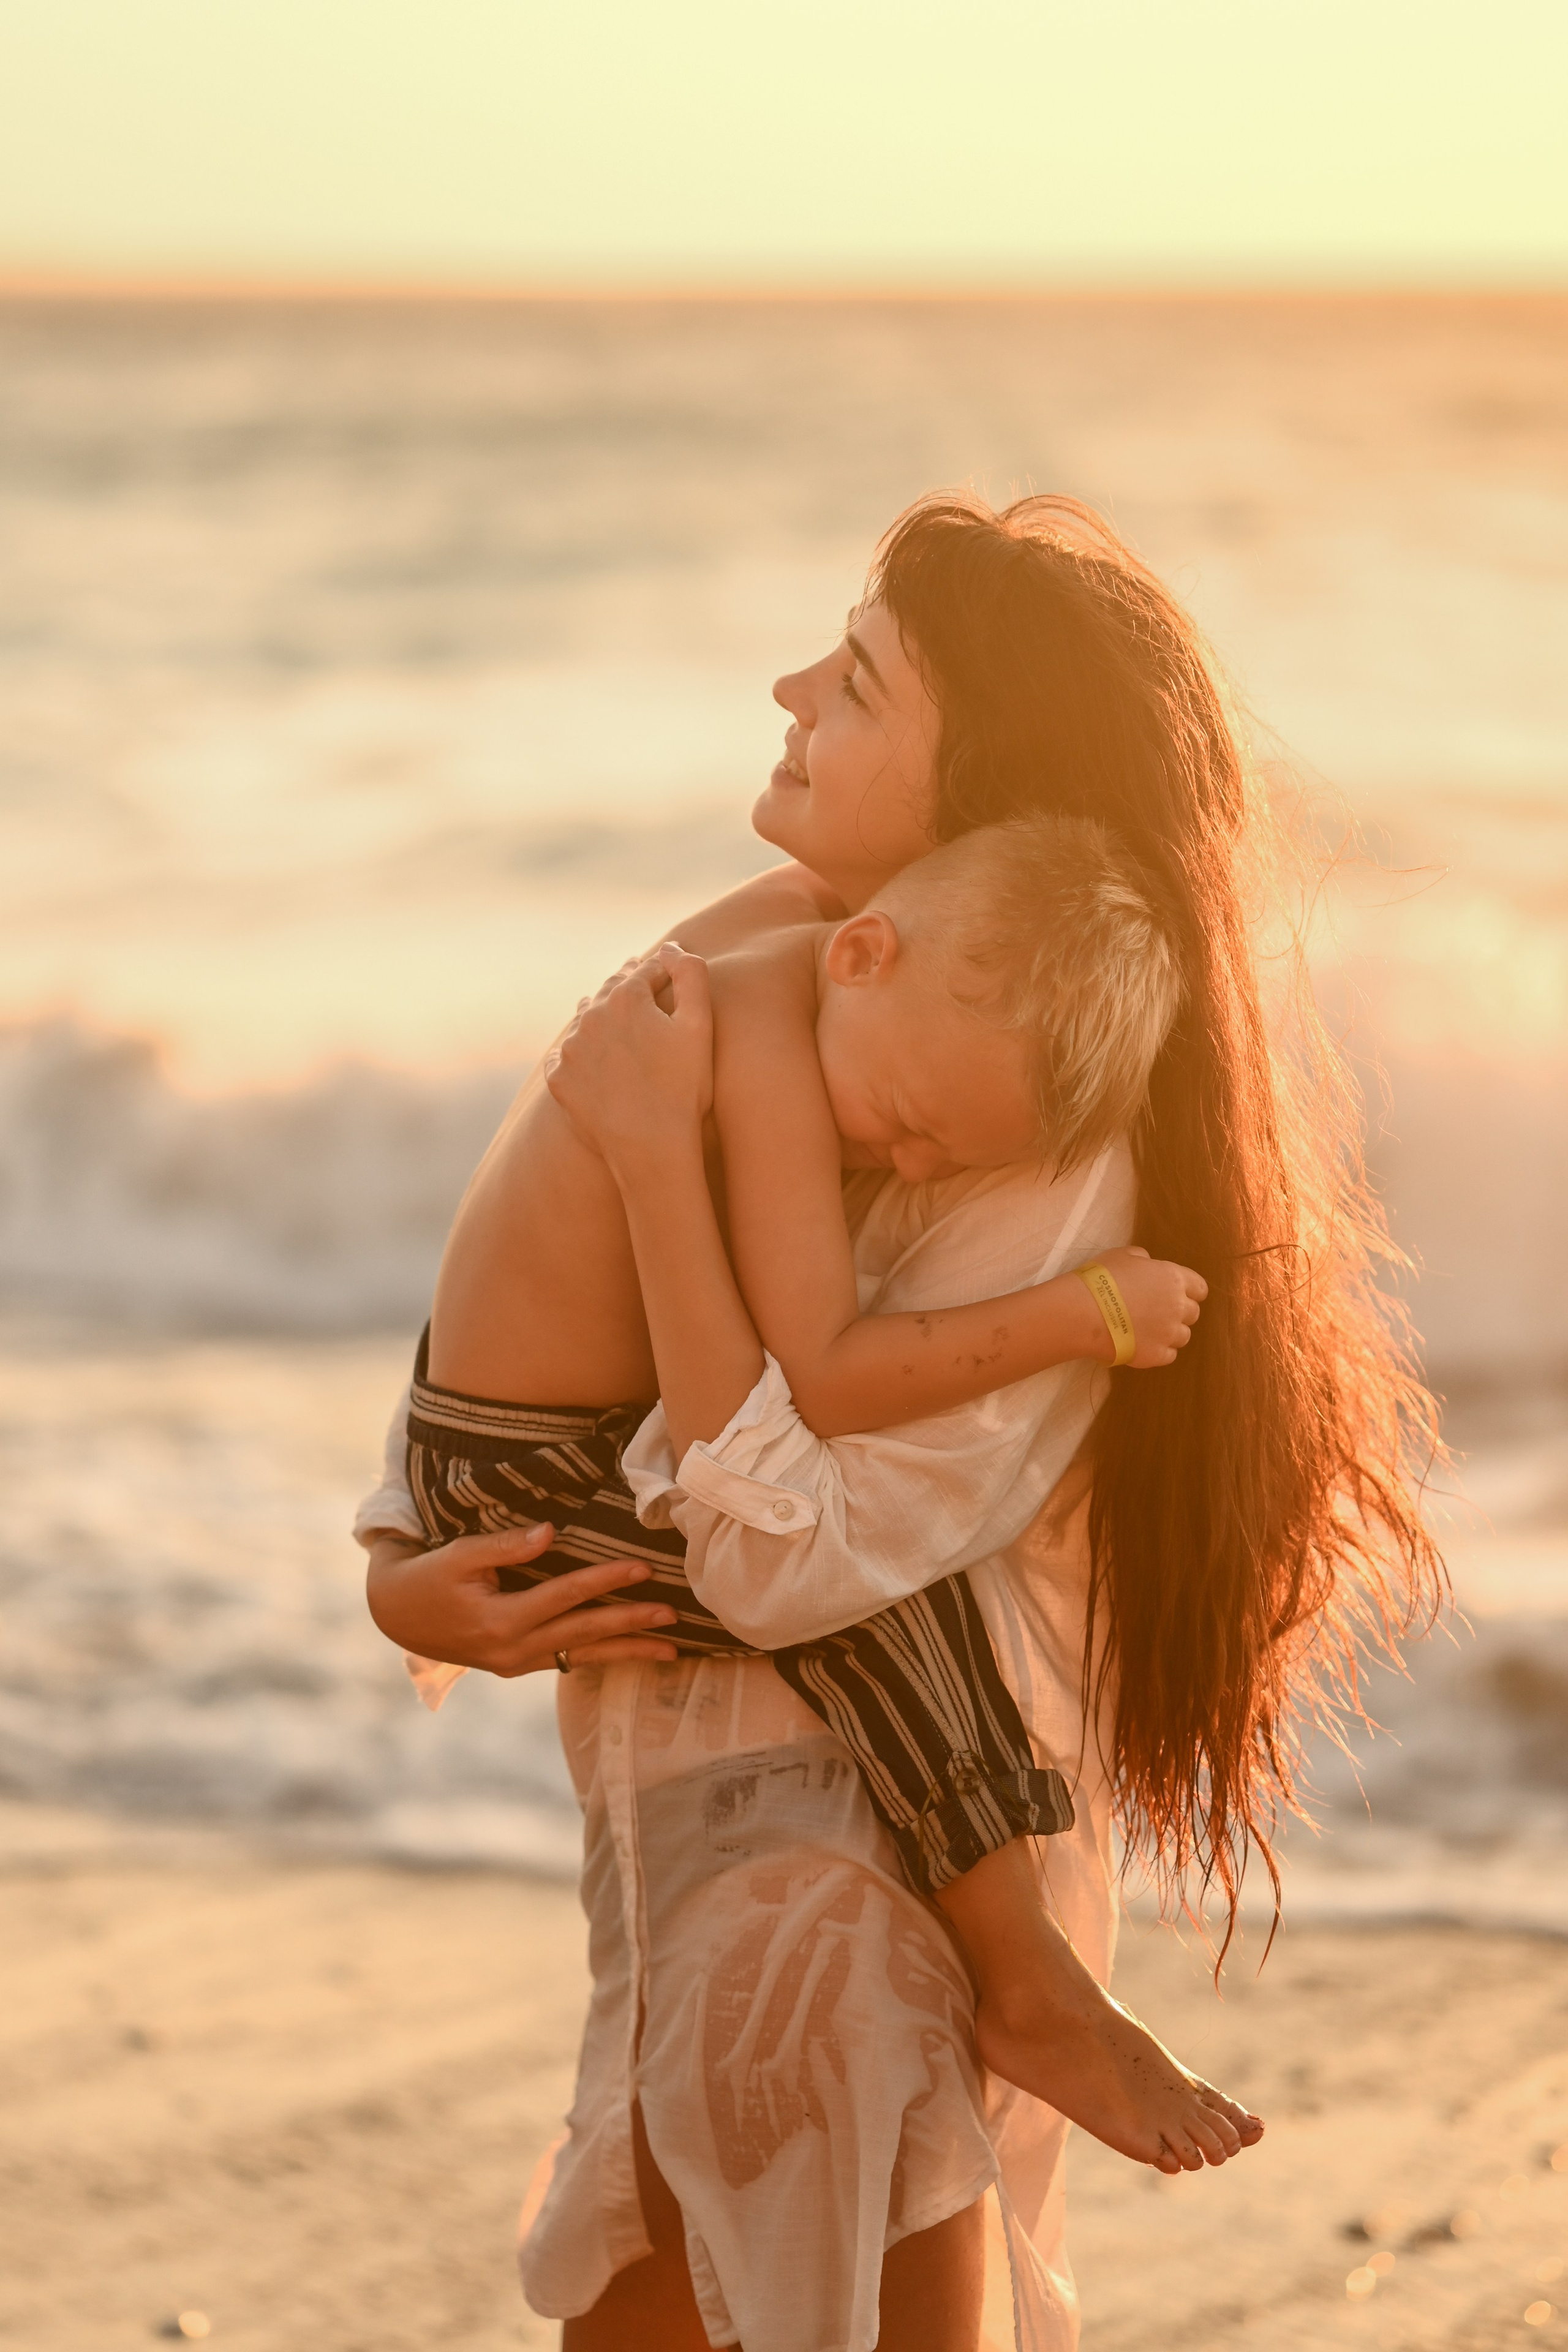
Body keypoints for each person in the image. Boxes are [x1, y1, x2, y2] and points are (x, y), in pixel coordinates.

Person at [361, 493, 1442, 2352]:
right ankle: (1025, 1977)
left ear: (986, 789)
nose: (788, 690)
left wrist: (409, 1539)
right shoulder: (817, 962)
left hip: (780, 1836)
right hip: (658, 1692)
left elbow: (776, 1490)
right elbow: (583, 1305)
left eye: (855, 682)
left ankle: (1021, 1978)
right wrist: (399, 1569)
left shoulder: (952, 1056)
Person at [412, 805, 1254, 2166]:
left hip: (509, 1435)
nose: (904, 1168)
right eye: (909, 1126)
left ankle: (1030, 1971)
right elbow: (825, 1376)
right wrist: (1081, 1308)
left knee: (866, 1576)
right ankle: (1028, 1986)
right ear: (859, 955)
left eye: (941, 1166)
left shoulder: (815, 989)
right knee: (863, 1596)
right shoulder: (761, 1033)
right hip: (518, 1472)